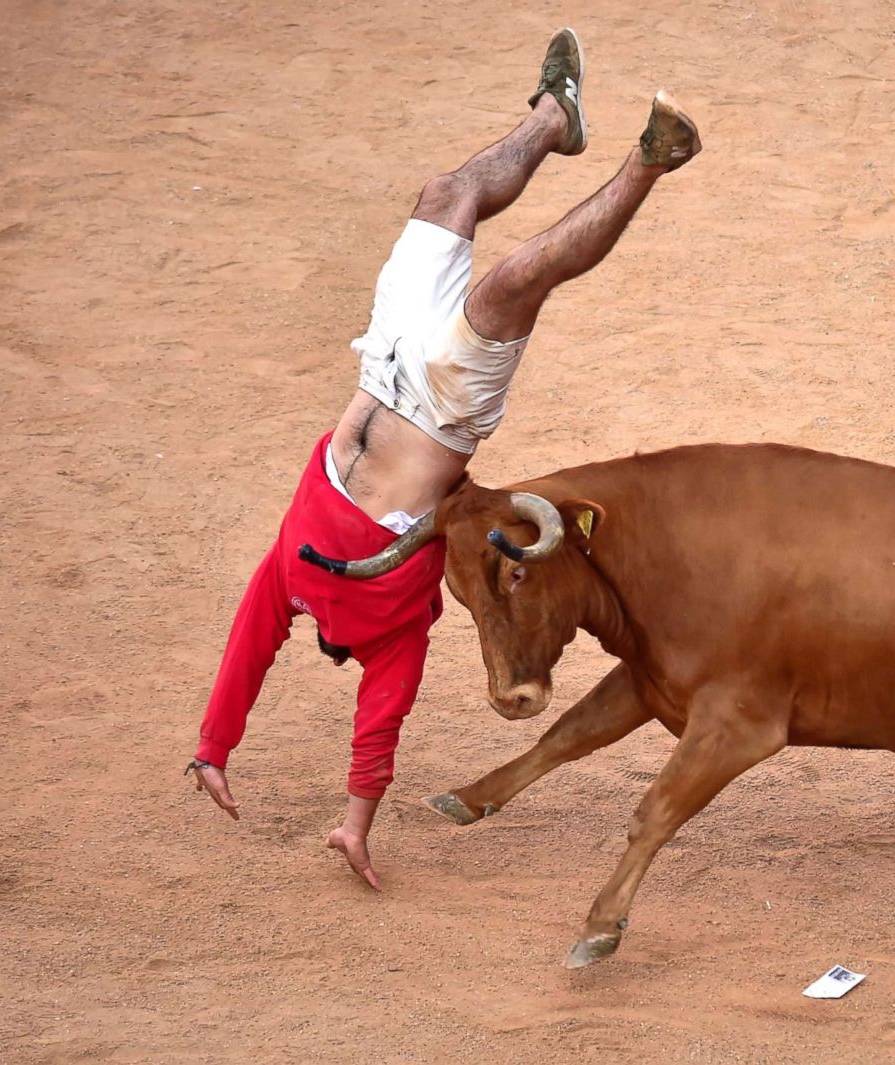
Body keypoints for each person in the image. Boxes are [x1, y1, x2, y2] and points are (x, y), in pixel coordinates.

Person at [185, 28, 701, 888]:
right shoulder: (393, 635)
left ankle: (553, 118)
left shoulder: (291, 576)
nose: (312, 627)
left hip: (383, 361)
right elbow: (378, 728)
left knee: (447, 194)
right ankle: (653, 158)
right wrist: (356, 824)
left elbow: (245, 647)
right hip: (442, 408)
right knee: (513, 282)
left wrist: (212, 745)